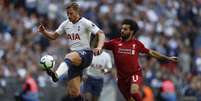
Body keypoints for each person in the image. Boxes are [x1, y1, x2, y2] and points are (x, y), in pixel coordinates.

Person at [38, 2, 105, 101]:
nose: (69, 16)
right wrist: (44, 31)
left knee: (69, 56)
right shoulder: (66, 24)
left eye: (71, 13)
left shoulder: (85, 22)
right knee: (73, 93)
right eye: (67, 14)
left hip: (86, 54)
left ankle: (56, 75)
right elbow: (53, 36)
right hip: (74, 60)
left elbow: (101, 33)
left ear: (77, 11)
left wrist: (99, 47)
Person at [104, 19, 178, 101]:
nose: (122, 31)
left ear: (131, 31)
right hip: (121, 79)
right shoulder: (115, 43)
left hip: (135, 74)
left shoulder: (137, 44)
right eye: (122, 28)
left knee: (134, 91)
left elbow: (152, 53)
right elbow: (100, 44)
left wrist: (168, 58)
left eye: (125, 29)